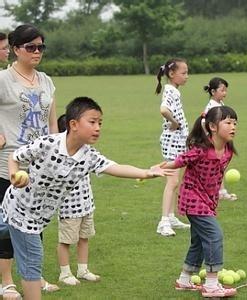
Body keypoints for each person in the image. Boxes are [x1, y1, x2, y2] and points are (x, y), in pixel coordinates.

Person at [0, 96, 173, 300]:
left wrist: (145, 172)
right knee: (32, 263)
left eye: (100, 123)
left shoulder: (88, 156)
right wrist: (13, 176)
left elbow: (115, 167)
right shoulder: (48, 143)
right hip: (19, 209)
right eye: (92, 122)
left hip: (39, 218)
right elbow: (16, 156)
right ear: (73, 124)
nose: (98, 127)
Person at [0, 24, 59, 299]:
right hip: (8, 166)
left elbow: (52, 125)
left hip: (39, 169)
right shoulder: (3, 80)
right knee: (8, 226)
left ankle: (33, 276)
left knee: (35, 224)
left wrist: (58, 154)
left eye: (41, 47)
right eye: (31, 47)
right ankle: (6, 280)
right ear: (15, 49)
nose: (37, 52)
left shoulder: (46, 81)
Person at [162, 106, 238, 298]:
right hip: (192, 199)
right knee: (214, 235)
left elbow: (216, 177)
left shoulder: (228, 150)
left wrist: (216, 197)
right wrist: (159, 167)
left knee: (198, 241)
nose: (233, 127)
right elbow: (180, 160)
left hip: (208, 200)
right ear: (212, 126)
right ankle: (211, 285)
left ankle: (184, 279)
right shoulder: (201, 150)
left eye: (235, 123)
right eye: (228, 122)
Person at [55, 114, 100, 286]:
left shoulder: (86, 152)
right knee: (66, 241)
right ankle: (65, 273)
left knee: (84, 237)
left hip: (86, 204)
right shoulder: (60, 155)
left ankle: (83, 269)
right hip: (68, 208)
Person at [155, 58, 191, 237]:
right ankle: (163, 222)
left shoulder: (174, 90)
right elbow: (164, 110)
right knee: (173, 181)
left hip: (177, 141)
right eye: (183, 73)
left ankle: (171, 217)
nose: (187, 76)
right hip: (172, 141)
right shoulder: (170, 90)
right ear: (171, 74)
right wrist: (174, 122)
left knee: (174, 180)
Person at [203, 77, 237, 201]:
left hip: (220, 141)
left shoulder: (220, 104)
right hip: (213, 143)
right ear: (213, 92)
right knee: (216, 167)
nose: (225, 93)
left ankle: (220, 191)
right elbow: (203, 122)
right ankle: (218, 191)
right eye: (222, 90)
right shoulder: (211, 107)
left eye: (226, 90)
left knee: (219, 166)